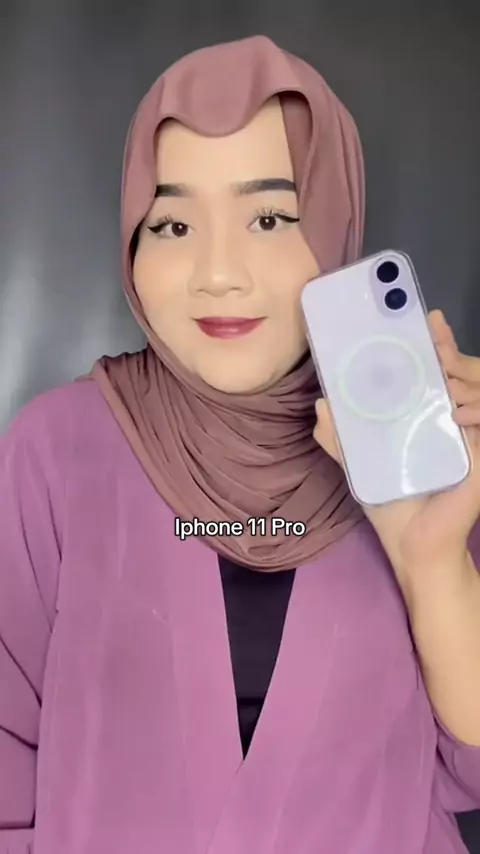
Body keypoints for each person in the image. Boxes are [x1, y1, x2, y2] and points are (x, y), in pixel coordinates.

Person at [1, 33, 480, 854]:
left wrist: (430, 562)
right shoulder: (58, 451)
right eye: (173, 223)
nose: (218, 273)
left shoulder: (412, 451)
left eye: (269, 218)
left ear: (333, 223)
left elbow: (469, 767)